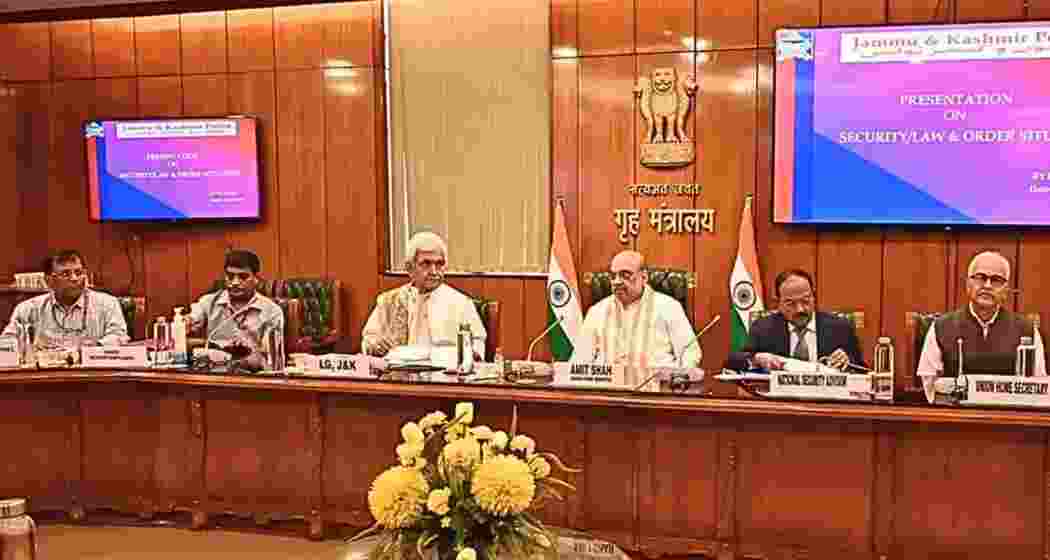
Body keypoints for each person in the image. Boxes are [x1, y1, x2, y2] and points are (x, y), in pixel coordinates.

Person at [917, 251, 1045, 377]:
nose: (987, 286)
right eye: (980, 278)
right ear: (968, 284)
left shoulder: (1027, 330)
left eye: (996, 280)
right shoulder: (941, 327)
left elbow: (1039, 383)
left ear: (1006, 290)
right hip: (956, 398)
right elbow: (930, 381)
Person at [362, 232, 486, 357]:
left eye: (439, 264)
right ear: (409, 268)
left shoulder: (460, 303)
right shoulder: (388, 301)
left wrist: (464, 353)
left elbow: (477, 345)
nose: (434, 271)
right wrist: (375, 345)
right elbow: (369, 340)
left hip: (443, 373)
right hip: (396, 373)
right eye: (426, 264)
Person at [570, 251, 700, 367]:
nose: (617, 281)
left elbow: (690, 353)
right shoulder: (597, 311)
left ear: (644, 277)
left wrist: (675, 380)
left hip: (654, 388)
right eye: (613, 276)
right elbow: (580, 360)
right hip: (606, 389)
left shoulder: (669, 307)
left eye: (625, 275)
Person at [726, 269, 864, 371]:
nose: (800, 309)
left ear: (813, 297)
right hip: (779, 402)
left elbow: (861, 368)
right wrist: (756, 359)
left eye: (805, 301)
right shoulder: (763, 327)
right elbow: (734, 361)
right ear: (778, 303)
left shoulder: (839, 327)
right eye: (790, 303)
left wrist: (848, 361)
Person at [3, 250, 129, 348]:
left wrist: (93, 350)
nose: (74, 278)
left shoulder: (107, 304)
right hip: (44, 375)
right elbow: (7, 343)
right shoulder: (28, 309)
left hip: (90, 375)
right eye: (66, 274)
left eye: (79, 273)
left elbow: (119, 336)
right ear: (49, 281)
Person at [187, 250, 284, 370]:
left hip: (252, 375)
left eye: (243, 277)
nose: (235, 282)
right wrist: (186, 323)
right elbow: (191, 320)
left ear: (256, 279)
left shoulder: (272, 311)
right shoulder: (209, 302)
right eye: (230, 276)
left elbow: (269, 354)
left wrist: (247, 352)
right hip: (213, 371)